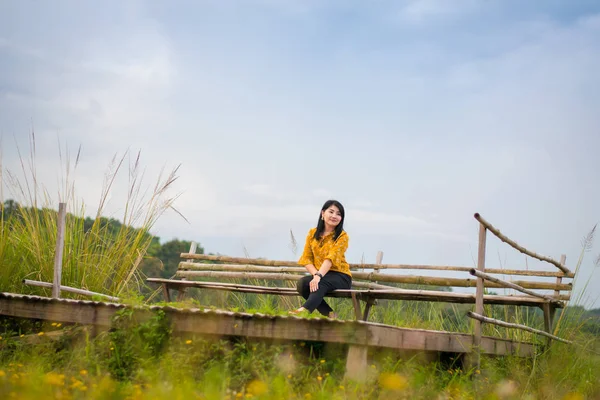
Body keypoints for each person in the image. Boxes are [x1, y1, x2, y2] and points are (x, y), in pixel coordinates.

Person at [290, 200, 351, 318]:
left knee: (320, 282)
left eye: (338, 214)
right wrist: (315, 275)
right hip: (321, 274)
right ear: (322, 213)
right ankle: (331, 314)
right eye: (331, 212)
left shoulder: (342, 236)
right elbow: (306, 258)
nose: (334, 216)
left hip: (341, 276)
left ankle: (304, 310)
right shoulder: (312, 233)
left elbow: (330, 258)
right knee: (303, 284)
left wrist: (318, 277)